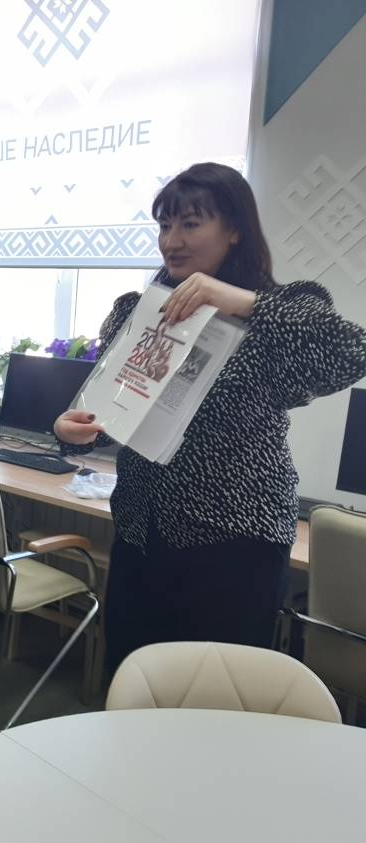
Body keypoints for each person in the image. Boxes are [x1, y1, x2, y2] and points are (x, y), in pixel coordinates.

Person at [54, 162, 366, 676]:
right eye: (164, 225)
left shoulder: (282, 310)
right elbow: (108, 416)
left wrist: (240, 302)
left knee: (212, 696)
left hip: (236, 541)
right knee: (131, 679)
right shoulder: (139, 312)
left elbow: (350, 351)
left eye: (190, 224)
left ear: (235, 229)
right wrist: (75, 432)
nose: (171, 241)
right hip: (141, 530)